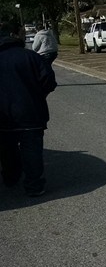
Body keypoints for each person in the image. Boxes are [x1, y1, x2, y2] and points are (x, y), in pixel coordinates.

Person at [0, 19, 57, 197]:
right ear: (15, 34)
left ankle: (10, 177)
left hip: (3, 115)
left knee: (7, 148)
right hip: (31, 112)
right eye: (23, 33)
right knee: (32, 150)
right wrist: (36, 94)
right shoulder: (31, 57)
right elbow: (48, 81)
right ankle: (34, 185)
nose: (25, 36)